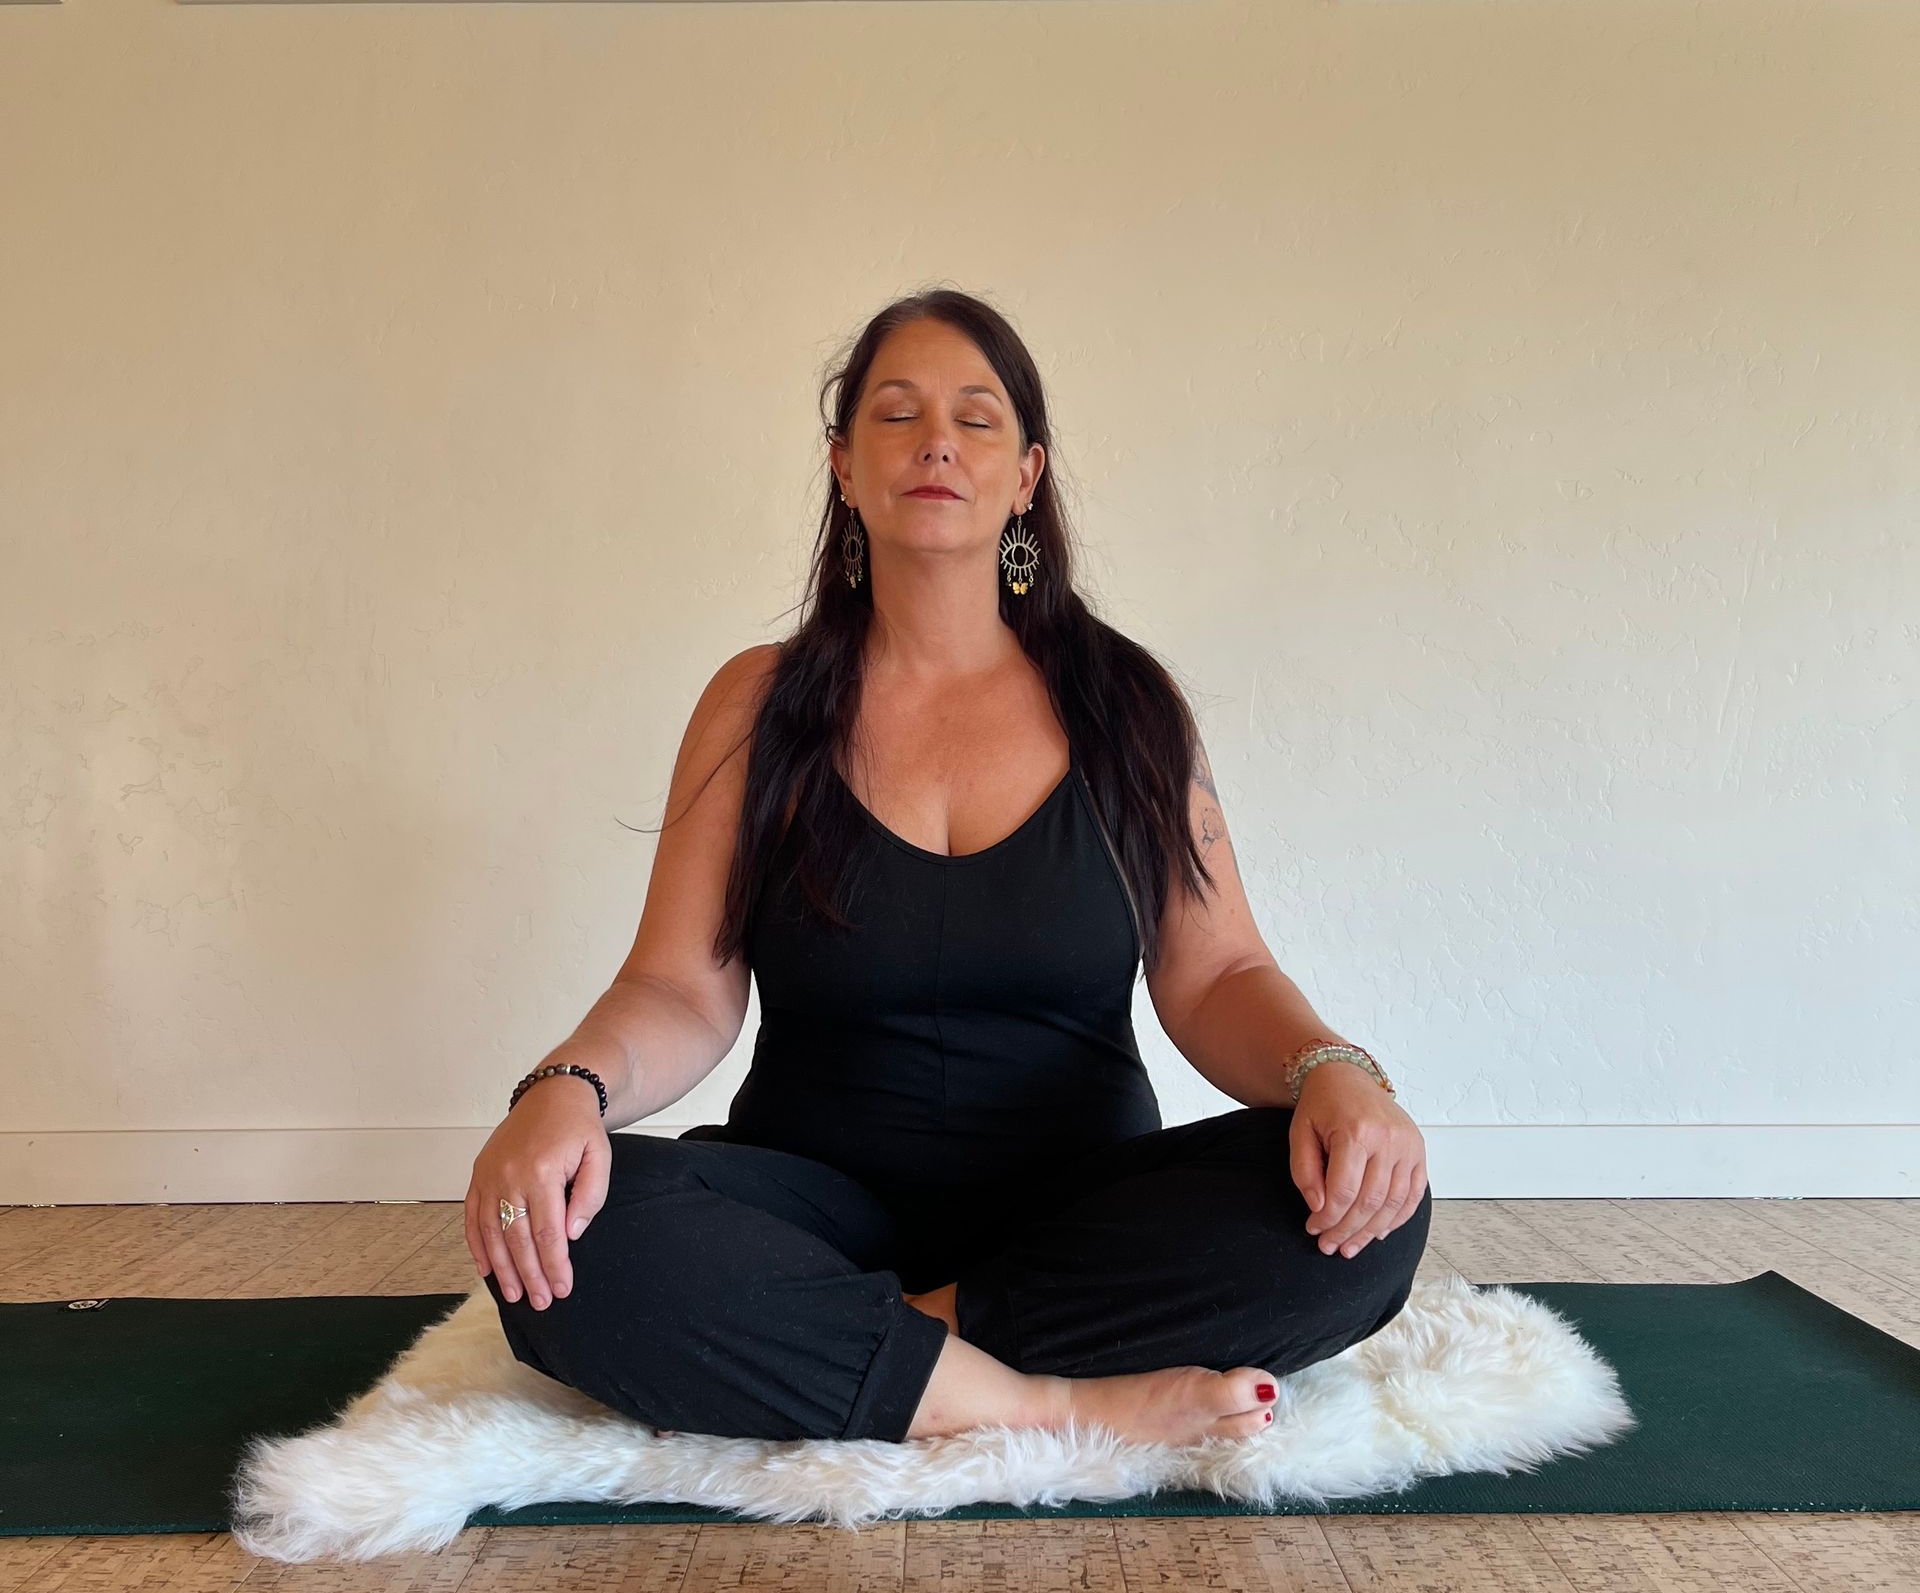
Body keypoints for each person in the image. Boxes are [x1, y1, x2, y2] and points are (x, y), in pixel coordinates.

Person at [465, 287, 1432, 1450]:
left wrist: (1332, 1070)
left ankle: (882, 1350)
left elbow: (1217, 972)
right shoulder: (756, 703)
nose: (936, 441)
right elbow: (680, 988)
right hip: (815, 1207)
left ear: (1026, 474)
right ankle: (1048, 1400)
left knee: (1368, 1211)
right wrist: (565, 1087)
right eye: (897, 414)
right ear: (843, 465)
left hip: (1082, 1211)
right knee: (576, 1238)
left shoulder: (1127, 705)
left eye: (976, 418)